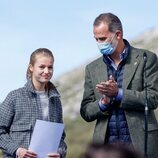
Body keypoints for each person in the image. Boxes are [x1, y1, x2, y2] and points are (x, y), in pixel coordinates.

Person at [80, 13, 158, 158]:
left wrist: (119, 93)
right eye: (96, 39)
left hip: (140, 146)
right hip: (106, 149)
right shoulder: (92, 68)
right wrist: (103, 103)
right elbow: (86, 111)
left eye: (102, 38)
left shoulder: (146, 58)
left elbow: (153, 98)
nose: (99, 42)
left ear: (118, 34)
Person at [0, 48, 67, 158]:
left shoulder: (56, 101)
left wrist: (59, 153)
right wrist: (17, 150)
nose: (46, 71)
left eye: (50, 67)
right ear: (31, 67)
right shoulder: (15, 97)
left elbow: (60, 137)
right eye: (42, 67)